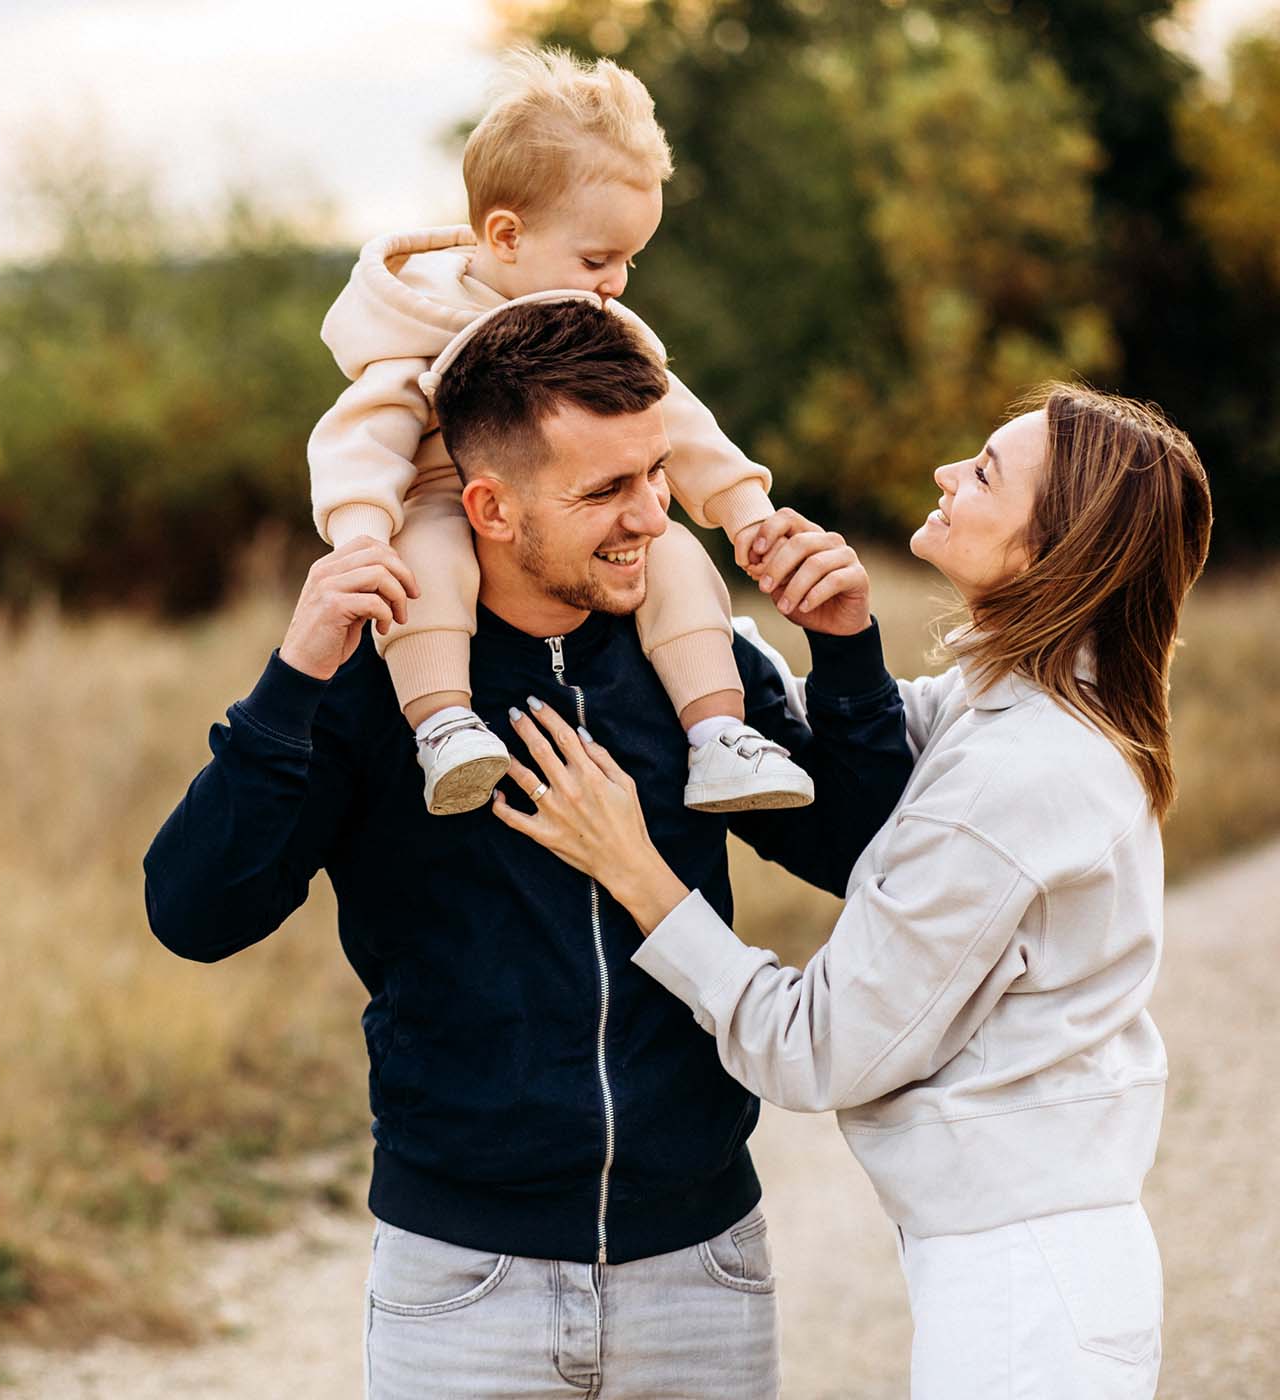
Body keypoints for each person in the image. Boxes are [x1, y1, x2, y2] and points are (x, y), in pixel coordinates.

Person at [144, 296, 915, 1399]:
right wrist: (295, 675)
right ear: (489, 508)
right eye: (603, 491)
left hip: (703, 1270)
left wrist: (844, 655)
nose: (650, 516)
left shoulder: (693, 665)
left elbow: (862, 856)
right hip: (462, 1284)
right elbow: (194, 913)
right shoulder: (379, 689)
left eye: (656, 472)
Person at [498, 386, 1212, 1399]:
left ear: (1053, 551)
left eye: (983, 474)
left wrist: (634, 870)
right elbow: (858, 753)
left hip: (1024, 1295)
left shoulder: (1018, 774)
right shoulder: (1018, 707)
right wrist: (821, 636)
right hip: (1028, 1262)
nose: (945, 475)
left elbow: (814, 1046)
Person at [308, 45, 812, 816]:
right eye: (598, 258)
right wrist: (362, 538)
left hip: (568, 521)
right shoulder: (416, 323)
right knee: (425, 555)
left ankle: (718, 736)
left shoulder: (593, 323)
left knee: (674, 551)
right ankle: (444, 723)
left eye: (631, 261)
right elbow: (362, 439)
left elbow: (677, 417)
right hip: (444, 498)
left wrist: (747, 512)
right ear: (507, 237)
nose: (616, 283)